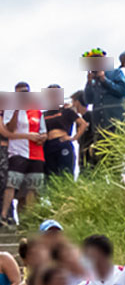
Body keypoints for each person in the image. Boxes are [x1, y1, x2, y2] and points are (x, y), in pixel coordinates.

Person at [4, 83, 47, 225]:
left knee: (32, 187)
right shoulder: (10, 108)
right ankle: (4, 215)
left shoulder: (36, 110)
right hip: (17, 152)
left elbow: (43, 131)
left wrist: (42, 137)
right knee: (12, 184)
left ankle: (29, 218)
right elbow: (9, 129)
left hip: (36, 153)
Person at [83, 49, 125, 142]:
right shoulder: (92, 80)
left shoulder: (116, 72)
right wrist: (89, 83)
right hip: (100, 127)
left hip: (116, 123)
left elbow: (121, 91)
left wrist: (104, 79)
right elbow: (88, 101)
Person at [42, 85, 83, 179]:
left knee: (65, 174)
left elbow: (82, 124)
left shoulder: (66, 111)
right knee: (50, 176)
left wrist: (74, 138)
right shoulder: (44, 114)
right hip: (48, 145)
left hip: (62, 143)